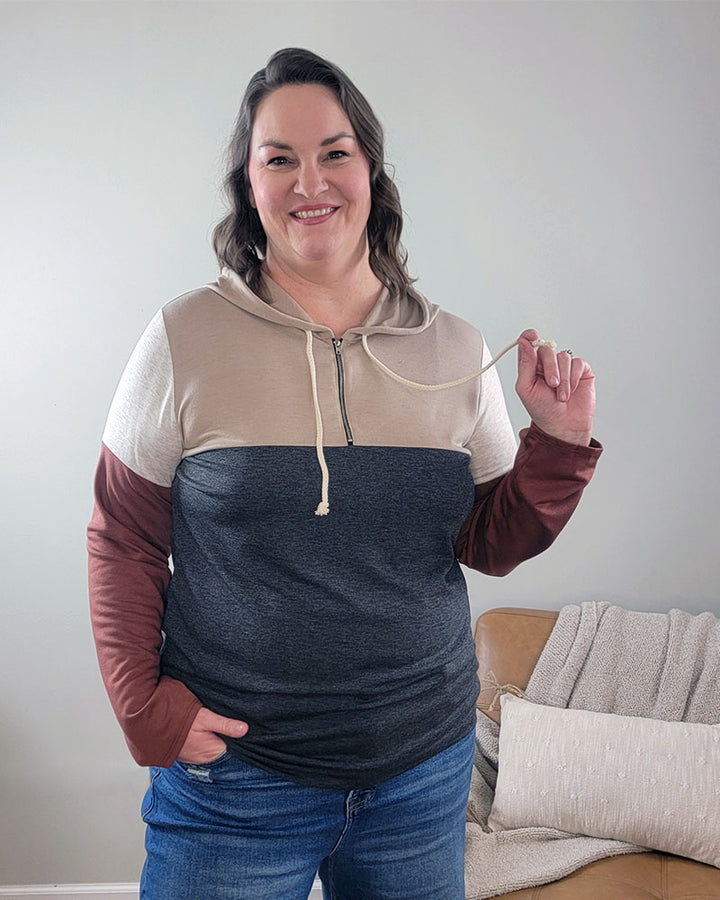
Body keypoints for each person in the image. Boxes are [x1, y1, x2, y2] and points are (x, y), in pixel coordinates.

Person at [87, 48, 601, 900]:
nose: (308, 180)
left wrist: (555, 441)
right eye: (277, 158)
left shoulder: (454, 347)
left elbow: (491, 543)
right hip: (237, 785)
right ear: (247, 185)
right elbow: (123, 537)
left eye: (333, 152)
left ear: (370, 168)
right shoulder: (183, 339)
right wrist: (145, 711)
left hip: (422, 776)